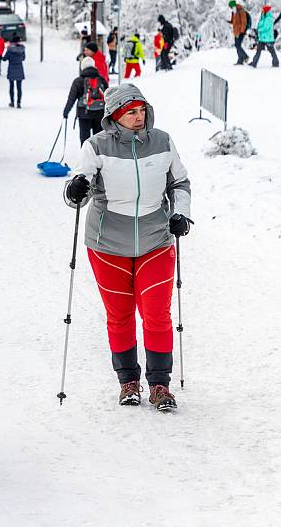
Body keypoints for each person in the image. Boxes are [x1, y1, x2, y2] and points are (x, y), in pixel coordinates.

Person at [64, 83, 192, 411]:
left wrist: (181, 215)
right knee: (120, 316)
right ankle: (128, 382)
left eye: (141, 110)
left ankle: (160, 385)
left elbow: (179, 182)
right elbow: (79, 186)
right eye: (130, 112)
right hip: (108, 244)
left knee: (157, 314)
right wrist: (76, 189)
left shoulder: (162, 142)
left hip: (156, 239)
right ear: (114, 115)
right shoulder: (96, 146)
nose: (138, 117)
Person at [63, 57, 108, 144]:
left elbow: (71, 98)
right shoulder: (101, 80)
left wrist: (66, 112)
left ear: (82, 67)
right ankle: (98, 157)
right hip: (99, 113)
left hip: (84, 114)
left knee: (85, 139)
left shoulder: (78, 81)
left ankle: (85, 156)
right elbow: (108, 97)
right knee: (98, 139)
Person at [3, 34, 25, 108]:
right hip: (19, 69)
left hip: (11, 69)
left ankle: (12, 102)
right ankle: (19, 102)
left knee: (11, 86)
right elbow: (23, 58)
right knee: (19, 87)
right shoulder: (22, 49)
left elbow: (5, 59)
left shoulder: (9, 50)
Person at [227, 0, 250, 65]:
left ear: (233, 6)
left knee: (237, 45)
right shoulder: (234, 12)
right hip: (236, 31)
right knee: (237, 45)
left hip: (240, 31)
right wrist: (228, 21)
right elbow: (234, 21)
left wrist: (242, 31)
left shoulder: (241, 10)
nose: (230, 8)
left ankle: (245, 57)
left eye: (231, 7)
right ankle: (240, 61)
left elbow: (244, 21)